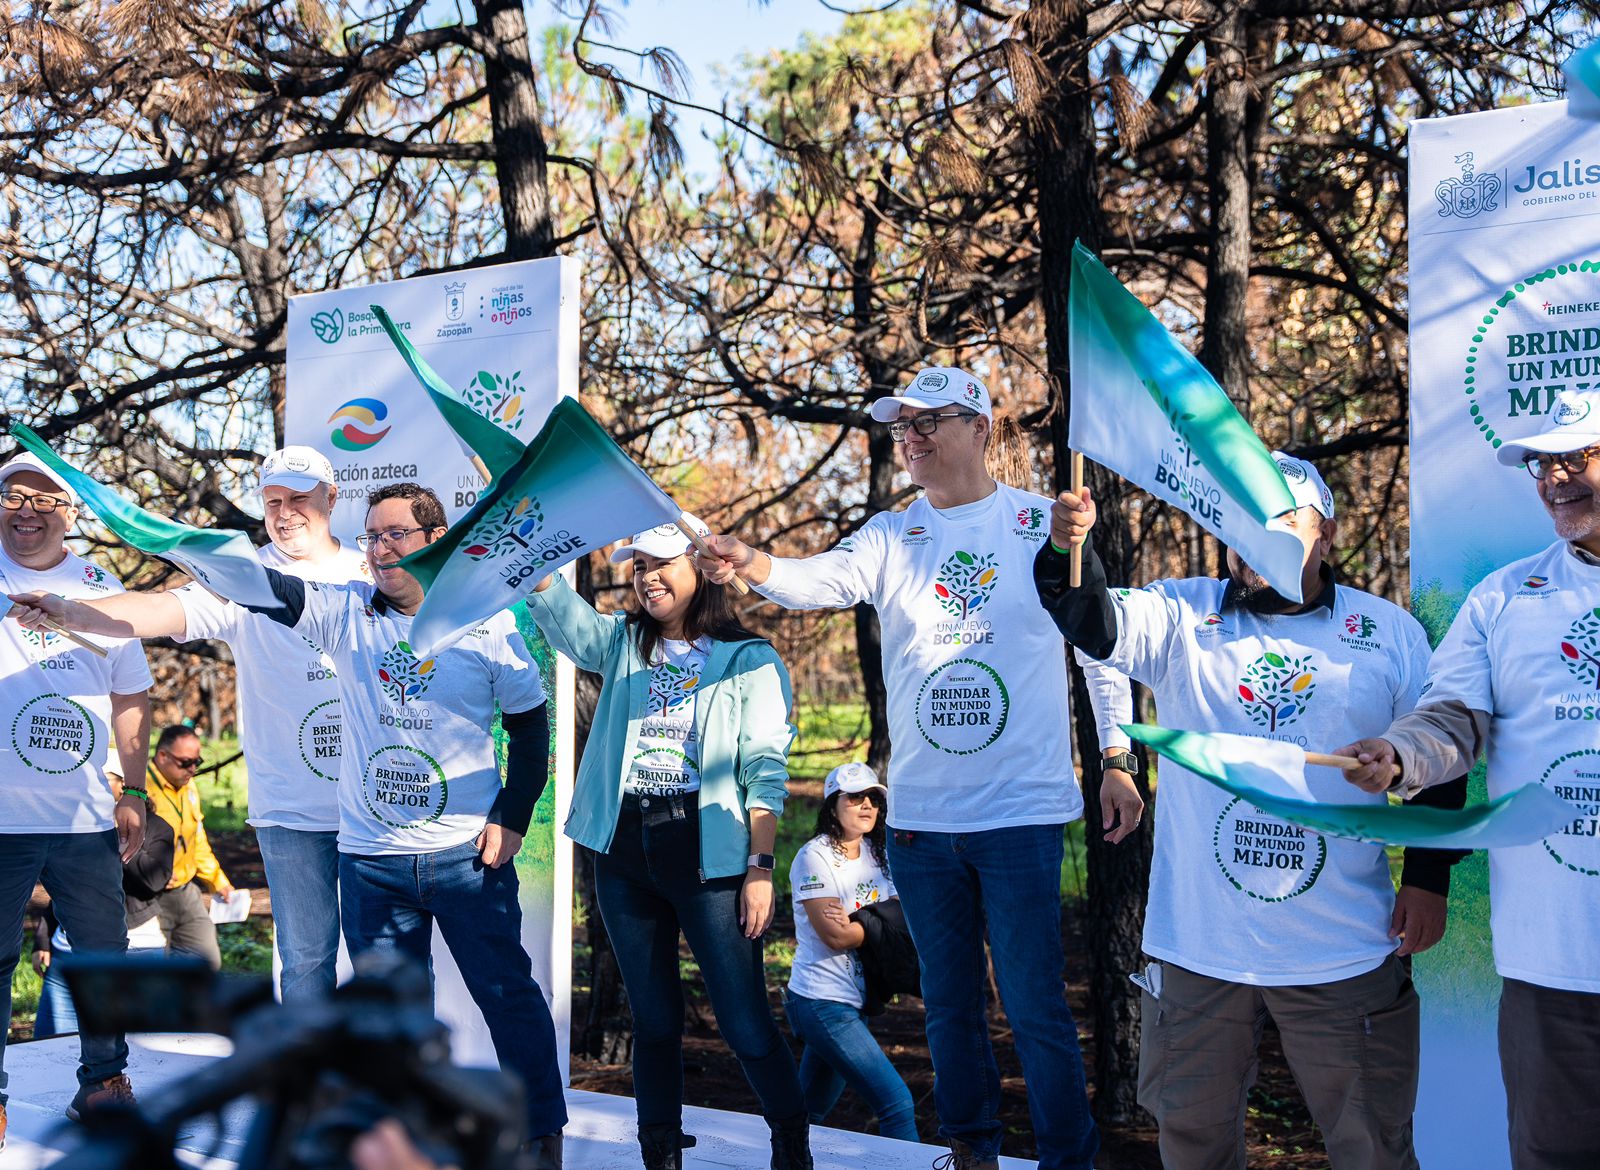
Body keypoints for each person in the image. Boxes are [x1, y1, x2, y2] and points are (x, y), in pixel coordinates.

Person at [12, 482, 565, 1168]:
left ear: (437, 540)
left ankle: (541, 1136)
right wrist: (76, 606)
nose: (381, 549)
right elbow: (247, 589)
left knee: (507, 995)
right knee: (388, 1025)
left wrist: (513, 815)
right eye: (372, 536)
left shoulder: (490, 623)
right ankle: (400, 1144)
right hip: (372, 864)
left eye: (396, 534)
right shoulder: (343, 613)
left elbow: (532, 725)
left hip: (462, 859)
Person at [697, 367, 1141, 1170]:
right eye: (902, 427)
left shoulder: (1045, 521)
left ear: (981, 428)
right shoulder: (890, 535)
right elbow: (812, 581)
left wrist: (1116, 756)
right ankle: (971, 1150)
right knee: (948, 1007)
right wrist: (752, 562)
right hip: (924, 828)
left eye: (931, 421)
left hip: (1020, 818)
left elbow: (1100, 647)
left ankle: (1068, 1160)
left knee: (1037, 1008)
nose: (913, 437)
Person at [1038, 451, 1468, 1170]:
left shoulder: (1387, 632)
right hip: (1202, 948)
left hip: (1342, 948)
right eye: (1240, 520)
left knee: (1373, 1145)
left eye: (1279, 520)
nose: (1255, 537)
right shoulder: (1182, 612)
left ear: (1325, 533)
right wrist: (1066, 552)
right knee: (1194, 1143)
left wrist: (1429, 878)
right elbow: (1095, 625)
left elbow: (1442, 757)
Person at [1337, 388, 1600, 1170]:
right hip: (1553, 961)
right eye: (1543, 465)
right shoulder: (1505, 596)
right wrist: (1400, 754)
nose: (1555, 479)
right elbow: (1451, 719)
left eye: (1575, 457)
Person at [9, 447, 368, 1003]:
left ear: (332, 498)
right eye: (273, 501)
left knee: (384, 960)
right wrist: (74, 611)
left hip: (380, 806)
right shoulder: (244, 578)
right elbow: (155, 610)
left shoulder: (375, 569)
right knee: (305, 959)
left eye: (300, 498)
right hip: (292, 812)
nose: (285, 512)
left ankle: (390, 1082)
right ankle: (311, 1085)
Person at [523, 518, 811, 1170]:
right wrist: (538, 566)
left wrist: (760, 867)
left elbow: (765, 770)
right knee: (652, 1020)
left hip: (708, 856)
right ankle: (661, 1156)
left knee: (744, 1024)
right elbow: (566, 619)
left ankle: (791, 1143)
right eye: (637, 567)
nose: (647, 577)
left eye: (661, 564)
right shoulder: (622, 644)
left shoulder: (749, 659)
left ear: (700, 571)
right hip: (623, 851)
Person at [0, 451, 153, 1145]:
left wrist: (136, 787)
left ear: (70, 510)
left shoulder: (101, 585)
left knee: (100, 953)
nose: (25, 509)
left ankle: (103, 1084)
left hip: (84, 813)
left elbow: (129, 691)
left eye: (42, 498)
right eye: (12, 496)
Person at [784, 762, 917, 1144]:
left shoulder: (880, 855)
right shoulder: (815, 857)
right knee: (896, 1104)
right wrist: (878, 921)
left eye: (873, 798)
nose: (866, 806)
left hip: (858, 999)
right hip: (821, 1001)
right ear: (831, 805)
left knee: (805, 1114)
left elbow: (905, 921)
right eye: (855, 797)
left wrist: (860, 919)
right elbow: (835, 937)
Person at [34, 773, 175, 1039]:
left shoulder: (158, 828)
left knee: (136, 1049)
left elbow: (152, 880)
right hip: (68, 953)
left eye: (103, 779)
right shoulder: (74, 824)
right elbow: (60, 885)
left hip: (137, 950)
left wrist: (116, 835)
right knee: (50, 1044)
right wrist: (42, 939)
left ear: (124, 785)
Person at [142, 725, 234, 970]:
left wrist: (218, 880)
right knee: (153, 973)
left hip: (185, 892)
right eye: (185, 763)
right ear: (162, 756)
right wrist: (150, 872)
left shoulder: (188, 785)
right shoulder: (138, 788)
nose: (192, 770)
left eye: (197, 762)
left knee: (207, 964)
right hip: (147, 897)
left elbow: (197, 839)